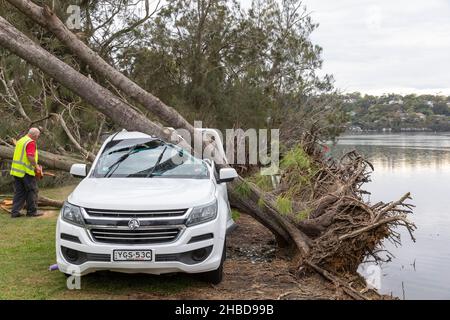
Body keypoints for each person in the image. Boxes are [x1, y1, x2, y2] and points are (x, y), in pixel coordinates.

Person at [10, 128, 43, 218]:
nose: (37, 138)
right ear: (35, 135)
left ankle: (15, 212)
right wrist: (36, 167)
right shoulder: (31, 142)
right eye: (37, 136)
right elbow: (30, 156)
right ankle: (32, 212)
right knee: (32, 190)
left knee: (19, 192)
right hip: (25, 171)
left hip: (16, 171)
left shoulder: (21, 140)